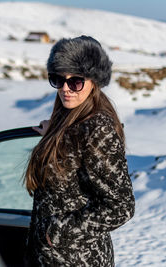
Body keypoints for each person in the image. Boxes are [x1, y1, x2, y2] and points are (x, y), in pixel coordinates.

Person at [23, 36, 135, 266]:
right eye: (58, 79)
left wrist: (56, 232)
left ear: (94, 81)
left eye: (75, 82)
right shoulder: (69, 124)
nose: (65, 88)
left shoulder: (97, 129)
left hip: (78, 259)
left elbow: (121, 207)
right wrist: (54, 134)